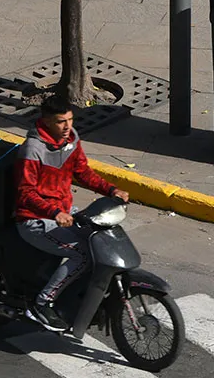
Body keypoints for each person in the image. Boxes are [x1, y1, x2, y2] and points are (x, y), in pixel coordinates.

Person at [15, 96, 129, 331]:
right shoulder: (32, 150)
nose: (67, 127)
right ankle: (42, 303)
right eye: (60, 122)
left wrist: (111, 189)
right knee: (83, 255)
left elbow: (83, 173)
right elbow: (25, 193)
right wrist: (53, 212)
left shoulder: (71, 140)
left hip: (65, 212)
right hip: (36, 220)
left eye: (70, 120)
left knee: (101, 243)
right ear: (45, 121)